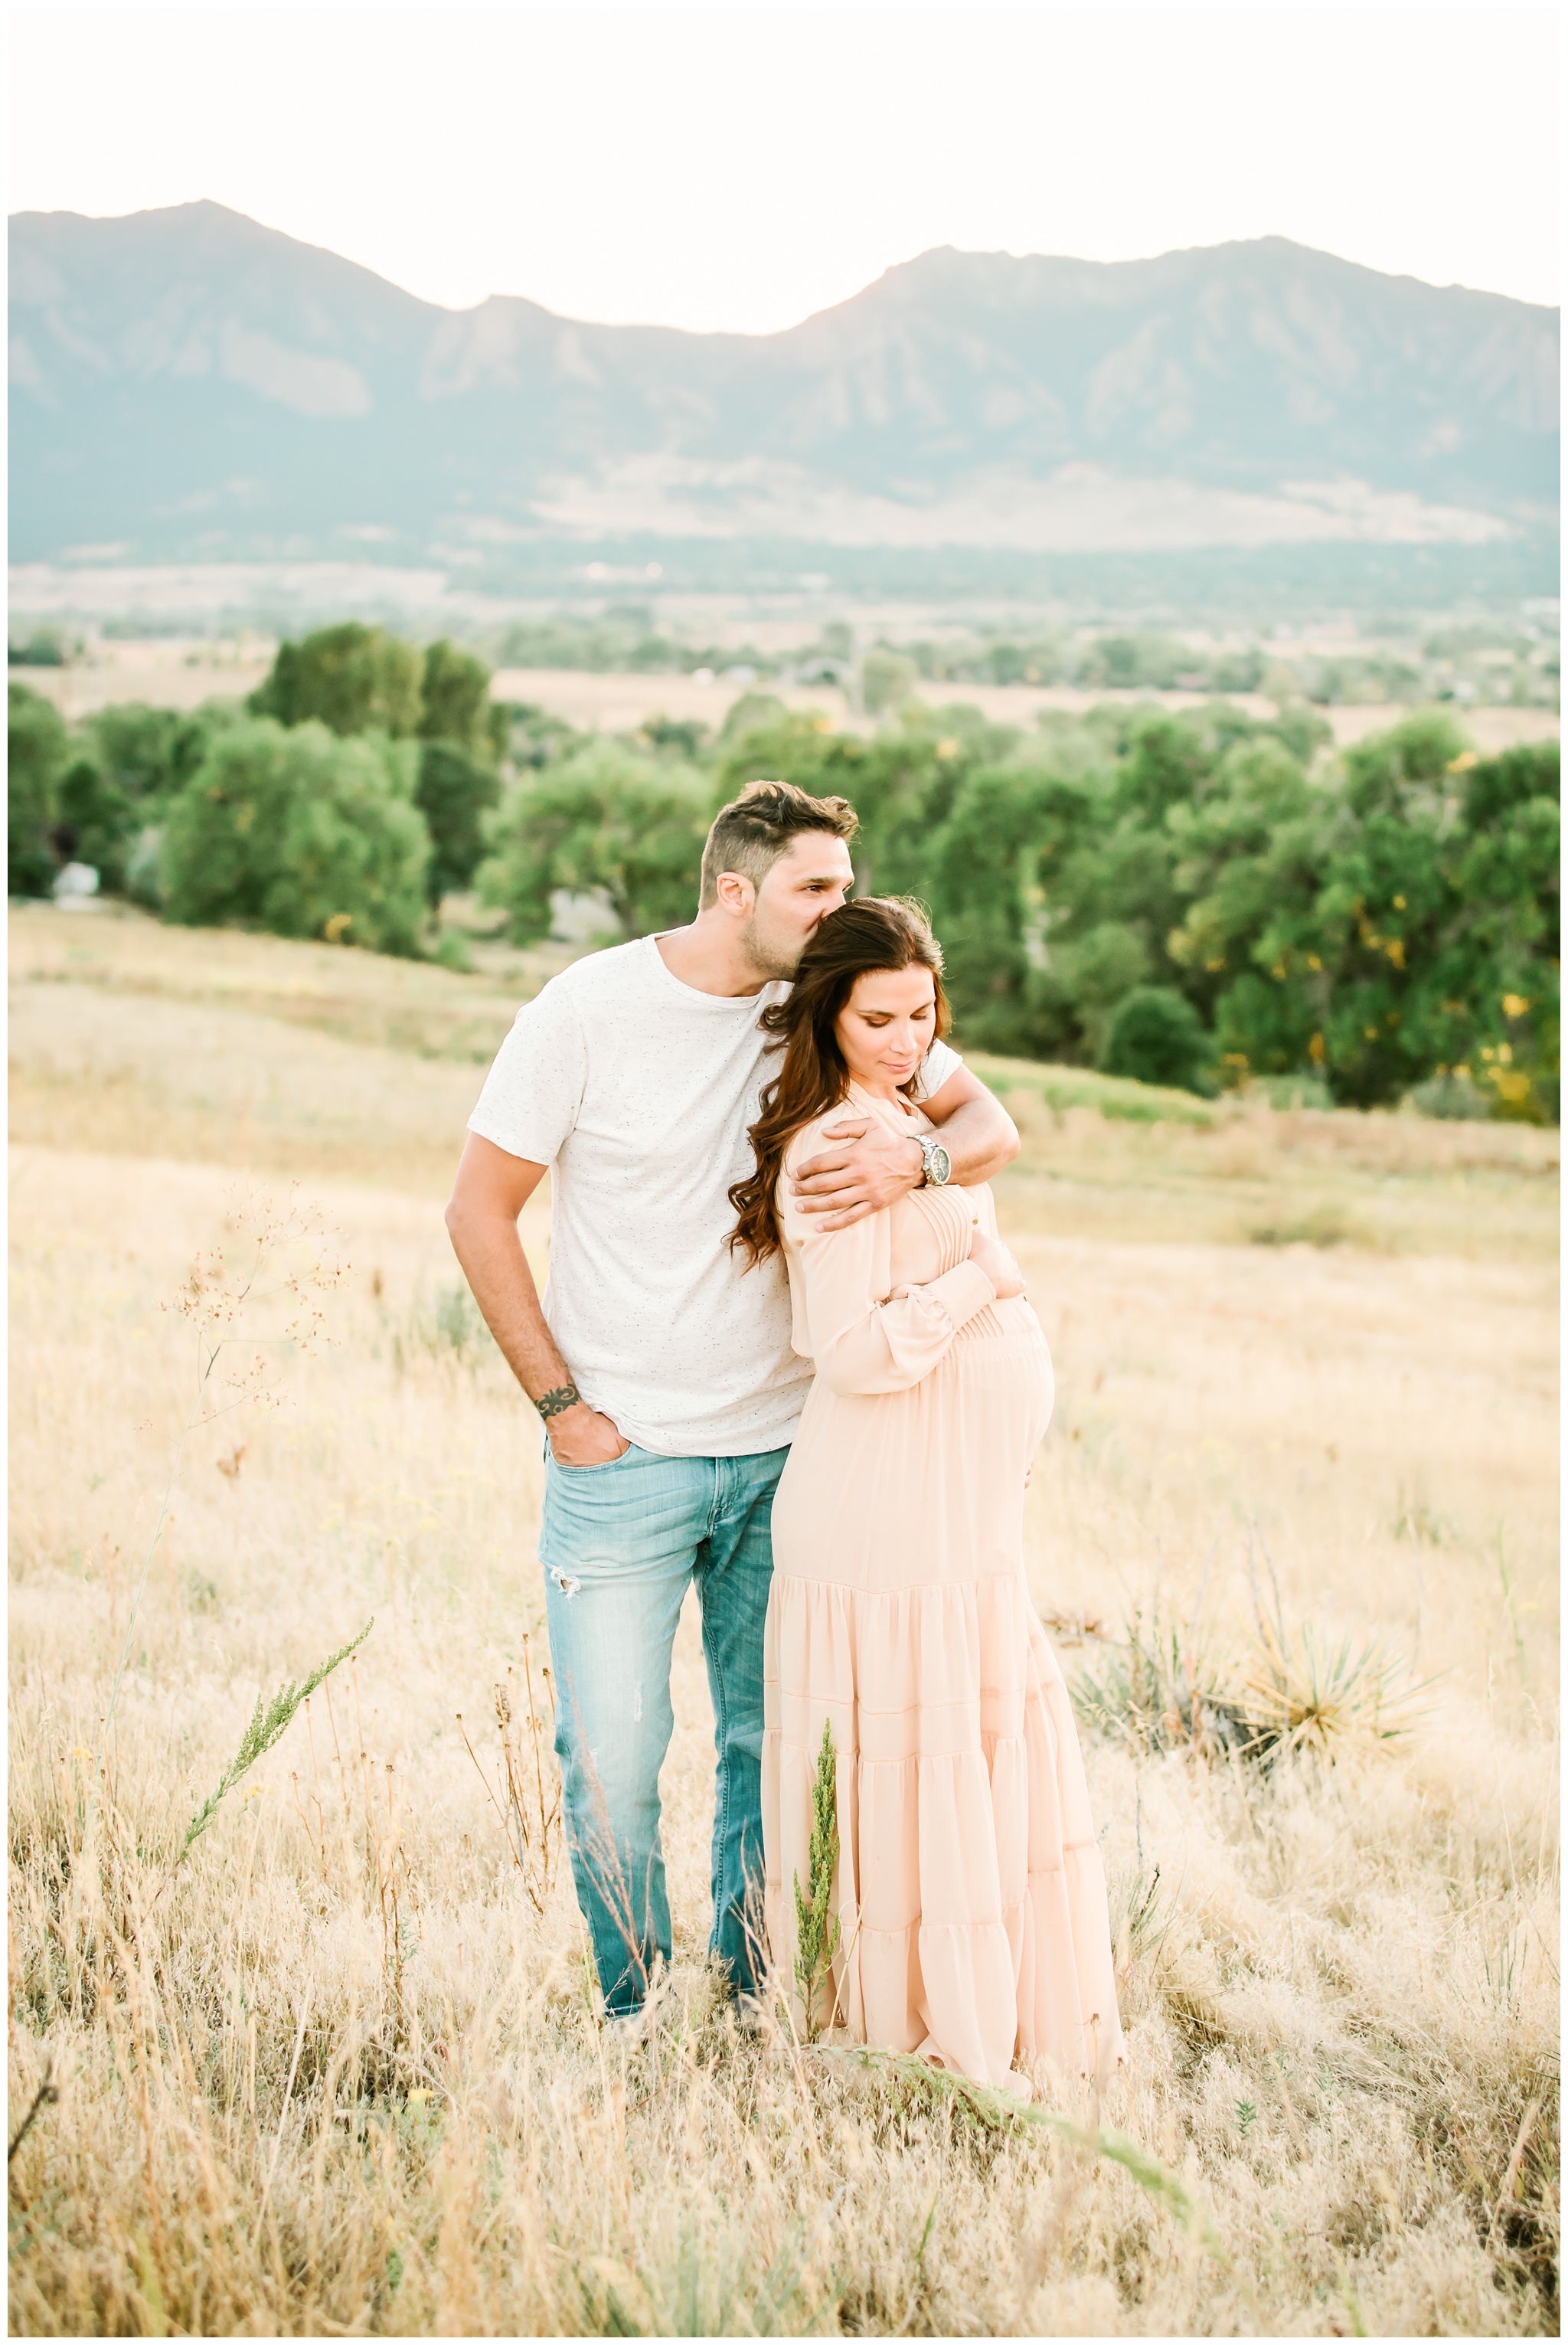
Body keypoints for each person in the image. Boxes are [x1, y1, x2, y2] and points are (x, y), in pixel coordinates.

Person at [444, 782, 1019, 2025]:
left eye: (848, 886)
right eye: (819, 888)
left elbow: (988, 1121)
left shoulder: (822, 1002)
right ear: (733, 889)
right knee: (611, 1765)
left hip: (794, 1459)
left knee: (779, 1752)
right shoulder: (587, 1010)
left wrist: (914, 1154)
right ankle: (640, 2011)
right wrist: (561, 1409)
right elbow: (476, 1210)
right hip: (624, 1461)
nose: (842, 908)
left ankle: (759, 1994)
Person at [730, 896, 1124, 2090]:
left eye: (924, 1012)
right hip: (884, 1515)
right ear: (831, 1017)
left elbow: (990, 1123)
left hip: (957, 1515)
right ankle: (907, 2027)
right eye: (881, 1018)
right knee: (911, 1760)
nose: (908, 1038)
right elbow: (846, 1349)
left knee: (966, 1739)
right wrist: (984, 1275)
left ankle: (978, 2015)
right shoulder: (837, 1146)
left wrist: (944, 1186)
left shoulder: (905, 1114)